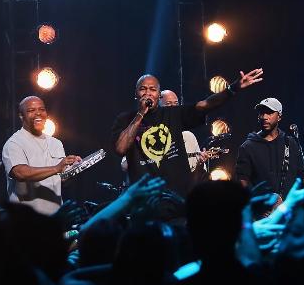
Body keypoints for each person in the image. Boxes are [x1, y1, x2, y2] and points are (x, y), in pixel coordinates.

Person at [111, 69, 264, 199]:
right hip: (144, 201)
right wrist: (140, 114)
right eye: (143, 89)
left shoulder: (173, 114)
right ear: (136, 93)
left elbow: (205, 105)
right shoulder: (125, 120)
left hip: (176, 199)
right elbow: (120, 149)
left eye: (153, 89)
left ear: (159, 94)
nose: (148, 93)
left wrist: (233, 88)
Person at [2, 96, 81, 215]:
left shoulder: (56, 143)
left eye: (41, 109)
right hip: (26, 220)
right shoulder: (14, 143)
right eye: (31, 110)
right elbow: (20, 173)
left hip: (55, 218)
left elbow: (62, 179)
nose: (38, 113)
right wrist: (56, 168)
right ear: (21, 116)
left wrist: (74, 169)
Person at [235, 98, 304, 199]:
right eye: (261, 113)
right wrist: (257, 203)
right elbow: (242, 181)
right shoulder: (247, 147)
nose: (264, 117)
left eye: (269, 113)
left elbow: (303, 175)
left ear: (279, 117)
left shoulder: (291, 143)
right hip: (260, 210)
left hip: (287, 209)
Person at [160, 89, 214, 174]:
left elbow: (198, 173)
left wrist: (200, 162)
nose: (173, 108)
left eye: (176, 104)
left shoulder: (188, 137)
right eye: (168, 104)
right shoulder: (150, 135)